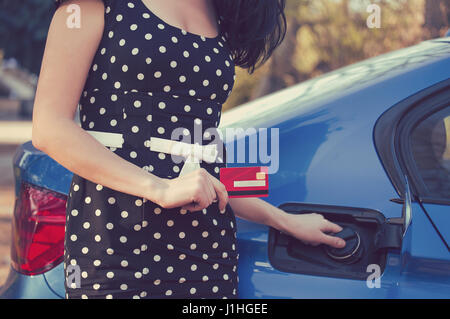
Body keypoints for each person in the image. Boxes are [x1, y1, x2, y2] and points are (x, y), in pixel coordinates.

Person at [31, 0, 346, 299]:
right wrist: (160, 188)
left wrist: (285, 220)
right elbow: (49, 128)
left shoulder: (218, 13)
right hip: (115, 246)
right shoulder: (90, 7)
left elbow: (208, 167)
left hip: (207, 253)